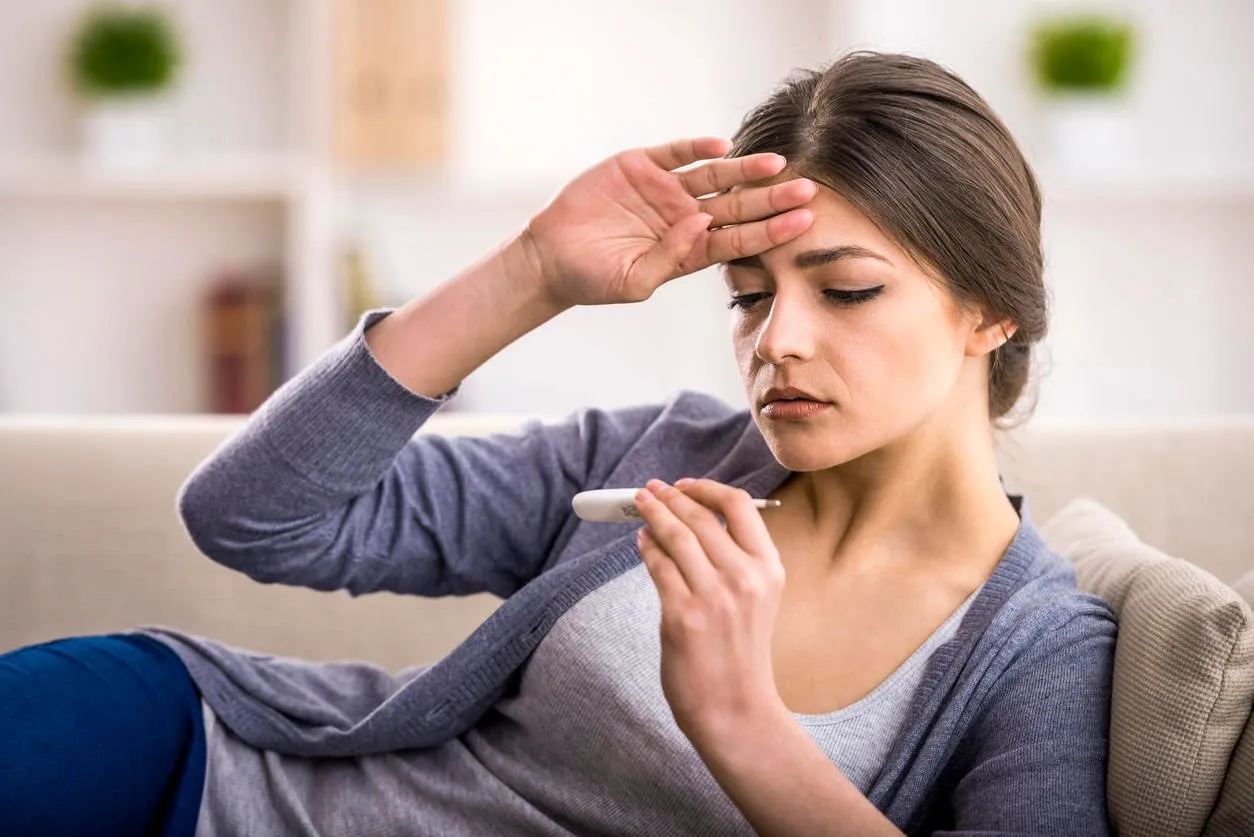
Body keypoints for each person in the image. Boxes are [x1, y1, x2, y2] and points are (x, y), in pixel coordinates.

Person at [0, 51, 1115, 836]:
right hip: (200, 770)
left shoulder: (1039, 647)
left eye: (850, 290)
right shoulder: (662, 459)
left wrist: (739, 722)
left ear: (989, 311)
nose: (779, 341)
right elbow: (253, 513)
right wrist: (532, 274)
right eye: (744, 297)